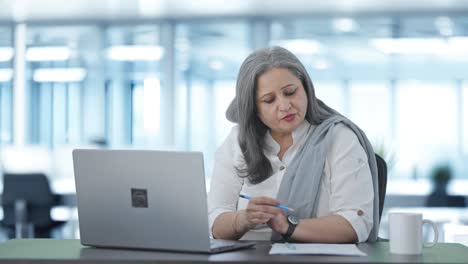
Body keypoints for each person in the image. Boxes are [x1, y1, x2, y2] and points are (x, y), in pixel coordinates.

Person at [208, 46, 379, 243]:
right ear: (253, 108)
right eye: (269, 100)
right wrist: (242, 220)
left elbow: (355, 224)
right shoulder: (238, 140)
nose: (284, 105)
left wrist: (289, 226)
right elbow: (215, 222)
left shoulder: (339, 137)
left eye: (290, 92)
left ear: (306, 87)